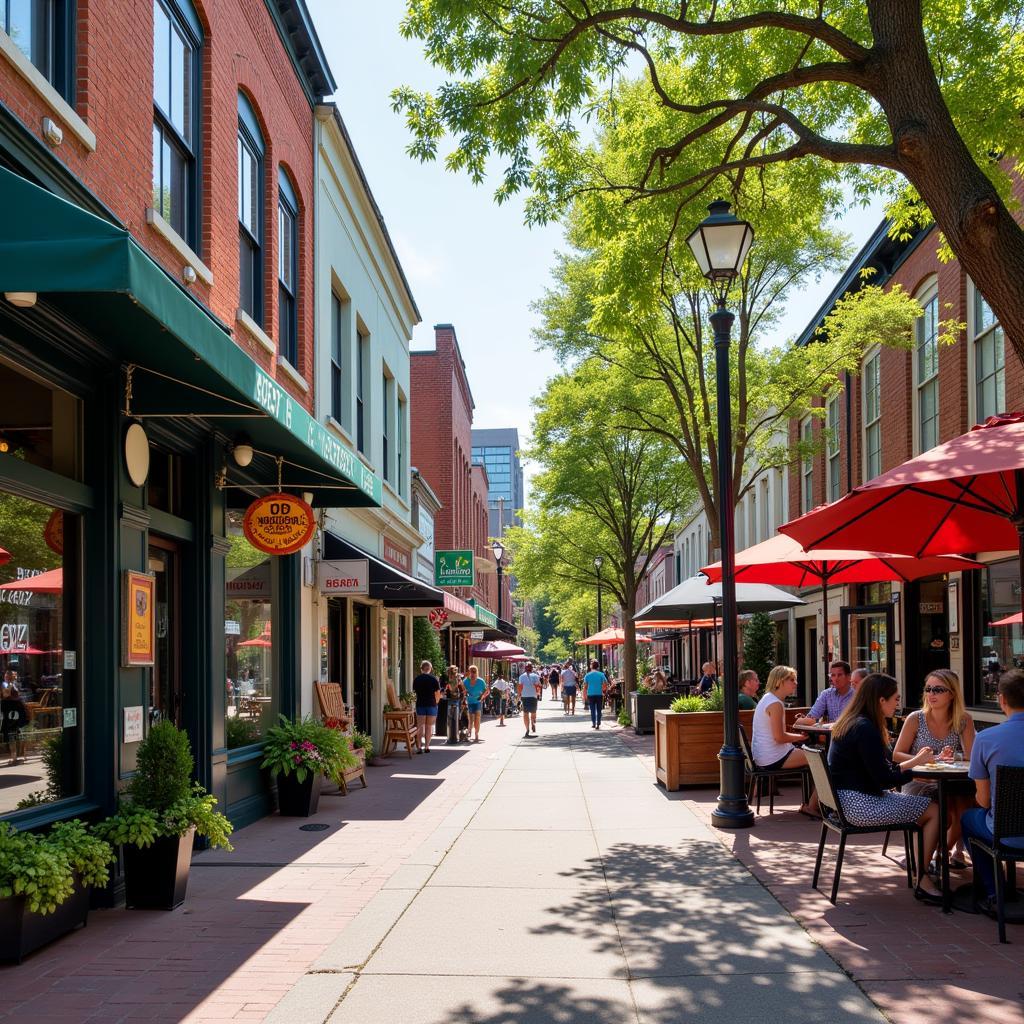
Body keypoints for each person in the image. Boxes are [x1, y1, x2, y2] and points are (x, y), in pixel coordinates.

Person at [828, 673, 943, 903]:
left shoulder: (851, 722)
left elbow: (880, 770)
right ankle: (922, 877)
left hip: (843, 802)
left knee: (928, 809)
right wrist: (915, 772)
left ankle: (920, 869)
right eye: (895, 699)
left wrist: (913, 762)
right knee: (934, 812)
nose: (897, 704)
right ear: (881, 700)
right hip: (860, 806)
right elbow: (884, 780)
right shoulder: (865, 728)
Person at [893, 669, 976, 867]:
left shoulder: (963, 719)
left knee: (966, 812)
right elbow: (897, 754)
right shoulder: (915, 718)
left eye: (938, 689)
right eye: (928, 689)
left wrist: (952, 755)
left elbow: (972, 756)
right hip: (919, 781)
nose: (931, 694)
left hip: (952, 782)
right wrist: (922, 759)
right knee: (945, 813)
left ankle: (940, 851)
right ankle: (925, 856)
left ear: (952, 693)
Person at [960, 668, 1024, 912]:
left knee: (968, 818)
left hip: (1006, 834)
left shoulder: (987, 738)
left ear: (1001, 699)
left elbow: (984, 801)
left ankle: (993, 891)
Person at [750, 665, 817, 816]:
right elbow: (779, 737)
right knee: (823, 760)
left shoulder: (768, 699)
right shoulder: (775, 704)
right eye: (792, 680)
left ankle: (813, 803)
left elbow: (777, 735)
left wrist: (796, 738)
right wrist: (801, 737)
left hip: (764, 756)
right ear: (780, 682)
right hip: (772, 757)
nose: (796, 683)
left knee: (816, 756)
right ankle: (812, 806)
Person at [795, 660, 855, 725]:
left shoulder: (857, 695)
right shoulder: (827, 694)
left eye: (840, 675)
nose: (836, 679)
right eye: (833, 675)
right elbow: (812, 717)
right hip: (831, 734)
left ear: (849, 676)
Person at [412, 660, 441, 754]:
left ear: (421, 669)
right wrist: (436, 702)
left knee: (420, 726)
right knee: (429, 727)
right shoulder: (434, 679)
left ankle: (419, 747)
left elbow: (415, 692)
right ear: (430, 669)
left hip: (420, 704)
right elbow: (437, 693)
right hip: (431, 705)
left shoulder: (417, 679)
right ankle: (427, 747)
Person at [518, 661, 541, 738]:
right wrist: (538, 693)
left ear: (525, 668)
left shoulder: (521, 676)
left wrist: (519, 695)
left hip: (525, 696)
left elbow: (520, 687)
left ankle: (527, 729)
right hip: (533, 696)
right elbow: (538, 686)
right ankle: (533, 723)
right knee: (533, 712)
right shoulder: (535, 676)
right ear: (532, 668)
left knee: (525, 713)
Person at [464, 664, 487, 743]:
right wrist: (465, 694)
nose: (472, 673)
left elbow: (486, 690)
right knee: (470, 719)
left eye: (474, 671)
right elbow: (463, 690)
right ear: (469, 672)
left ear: (477, 672)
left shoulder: (481, 681)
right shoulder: (466, 681)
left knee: (477, 719)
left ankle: (476, 735)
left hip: (477, 702)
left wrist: (482, 696)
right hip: (469, 702)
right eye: (471, 671)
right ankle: (468, 733)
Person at [444, 665, 466, 744]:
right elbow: (463, 689)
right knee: (454, 717)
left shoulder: (456, 678)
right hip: (454, 699)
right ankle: (454, 736)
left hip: (455, 699)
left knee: (454, 717)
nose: (453, 673)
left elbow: (462, 689)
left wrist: (463, 698)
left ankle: (455, 735)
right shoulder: (455, 678)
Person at [583, 660, 607, 729]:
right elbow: (605, 684)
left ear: (591, 666)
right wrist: (603, 690)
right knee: (599, 709)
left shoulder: (587, 675)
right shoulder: (601, 674)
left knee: (592, 709)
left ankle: (593, 723)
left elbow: (585, 686)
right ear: (598, 666)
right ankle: (598, 723)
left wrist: (584, 695)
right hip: (599, 694)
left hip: (590, 694)